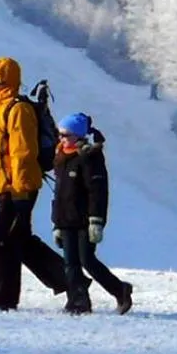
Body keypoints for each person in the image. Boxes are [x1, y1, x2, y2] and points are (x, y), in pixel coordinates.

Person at [0, 56, 68, 310]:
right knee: (20, 241)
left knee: (1, 242)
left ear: (0, 77)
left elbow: (22, 153)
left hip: (19, 188)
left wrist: (20, 193)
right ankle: (72, 282)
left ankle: (4, 298)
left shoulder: (17, 109)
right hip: (8, 188)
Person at [51, 113, 133, 315]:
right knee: (70, 263)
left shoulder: (89, 158)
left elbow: (97, 192)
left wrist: (96, 221)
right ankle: (78, 301)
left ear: (78, 136)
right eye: (60, 134)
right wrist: (57, 223)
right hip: (66, 219)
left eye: (66, 135)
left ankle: (119, 289)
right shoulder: (61, 157)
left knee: (87, 260)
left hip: (85, 220)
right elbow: (59, 194)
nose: (61, 138)